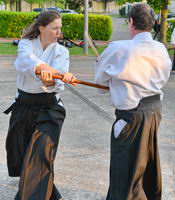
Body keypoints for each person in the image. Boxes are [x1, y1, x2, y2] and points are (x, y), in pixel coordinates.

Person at [95, 3, 172, 200]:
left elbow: (100, 80)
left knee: (125, 174)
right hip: (154, 112)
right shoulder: (161, 49)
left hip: (132, 117)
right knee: (146, 166)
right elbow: (162, 78)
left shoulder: (119, 48)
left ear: (130, 22)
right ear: (154, 23)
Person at [4, 11, 76, 200]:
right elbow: (25, 62)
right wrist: (49, 70)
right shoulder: (26, 44)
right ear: (41, 28)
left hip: (50, 109)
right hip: (23, 107)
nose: (58, 32)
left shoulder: (62, 51)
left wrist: (56, 79)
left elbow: (56, 83)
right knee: (21, 157)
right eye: (54, 28)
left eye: (60, 28)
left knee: (38, 157)